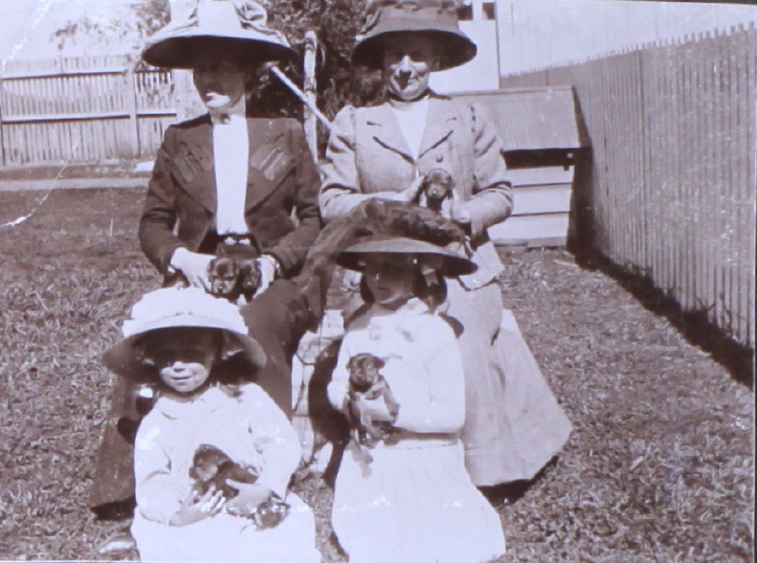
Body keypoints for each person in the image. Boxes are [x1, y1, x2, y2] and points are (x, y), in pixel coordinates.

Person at [319, 0, 571, 488]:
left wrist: (464, 213)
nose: (405, 68)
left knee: (463, 340)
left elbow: (500, 193)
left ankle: (482, 470)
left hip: (462, 264)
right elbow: (331, 202)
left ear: (434, 60)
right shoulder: (355, 123)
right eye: (395, 56)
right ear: (382, 62)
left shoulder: (467, 116)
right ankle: (390, 457)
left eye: (416, 56)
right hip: (380, 270)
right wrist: (387, 202)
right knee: (380, 348)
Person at [91, 0, 321, 517]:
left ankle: (260, 476)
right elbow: (152, 222)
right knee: (155, 330)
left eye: (220, 66)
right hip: (200, 268)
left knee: (258, 325)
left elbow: (312, 218)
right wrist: (181, 259)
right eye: (201, 68)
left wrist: (274, 263)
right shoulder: (181, 140)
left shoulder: (284, 132)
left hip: (269, 269)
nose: (208, 78)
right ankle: (135, 480)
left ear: (246, 70)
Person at [102, 287, 320, 562]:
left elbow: (280, 443)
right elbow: (152, 480)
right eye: (167, 358)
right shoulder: (158, 419)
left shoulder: (244, 396)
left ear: (218, 353)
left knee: (272, 544)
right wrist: (177, 514)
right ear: (151, 358)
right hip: (194, 509)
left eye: (192, 354)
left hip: (250, 498)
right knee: (183, 547)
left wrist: (266, 486)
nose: (178, 366)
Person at [327, 235, 505, 563]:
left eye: (392, 270)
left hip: (424, 455)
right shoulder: (358, 329)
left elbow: (452, 416)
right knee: (376, 539)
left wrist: (392, 414)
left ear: (417, 275)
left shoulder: (434, 332)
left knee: (435, 539)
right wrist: (350, 404)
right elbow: (338, 381)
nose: (379, 279)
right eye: (372, 270)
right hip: (373, 458)